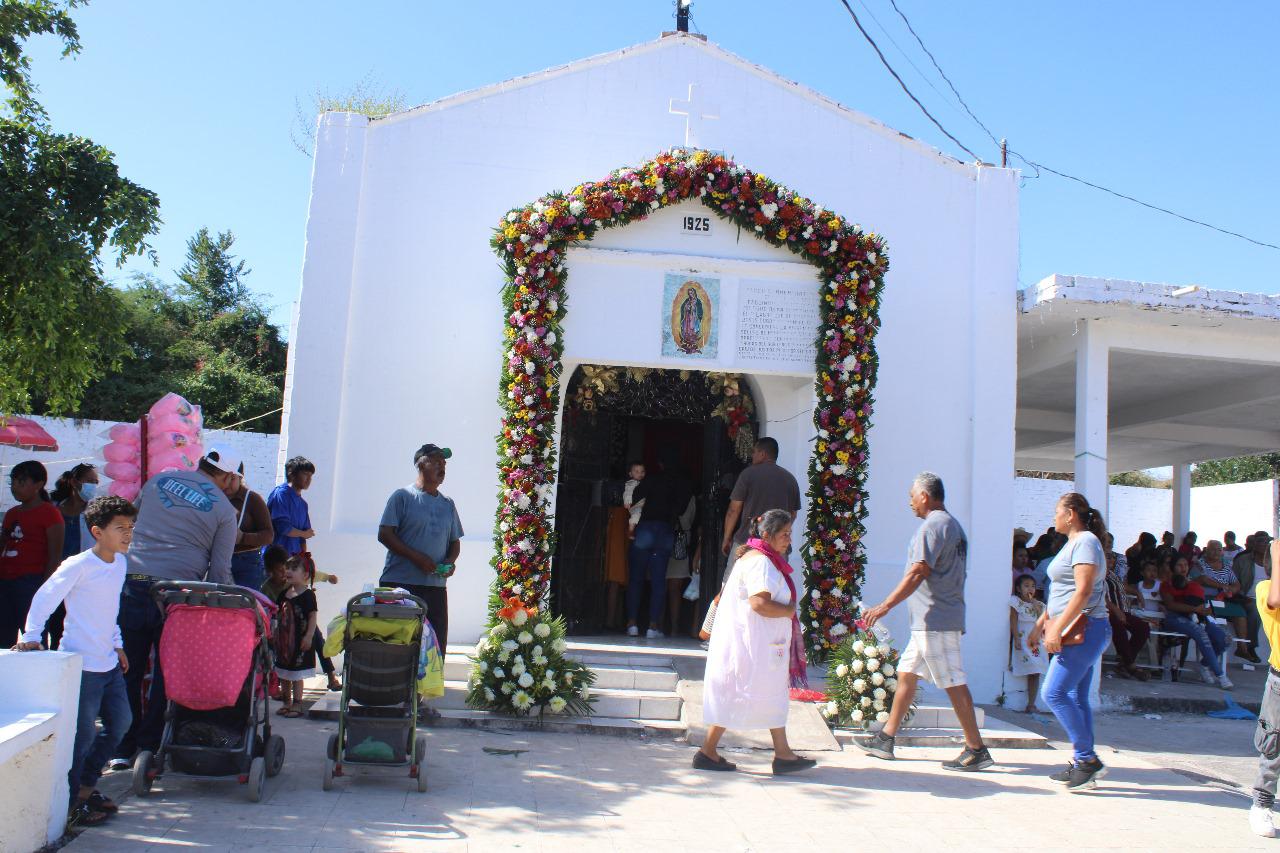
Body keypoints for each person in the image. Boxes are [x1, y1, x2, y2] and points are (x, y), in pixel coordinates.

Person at [110, 446, 240, 769]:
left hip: (134, 582)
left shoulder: (158, 482)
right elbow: (220, 572)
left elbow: (130, 525)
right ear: (226, 476)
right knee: (166, 674)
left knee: (129, 667)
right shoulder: (224, 511)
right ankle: (148, 746)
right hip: (179, 596)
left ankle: (121, 744)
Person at [856, 472, 993, 772]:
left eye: (911, 496)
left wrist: (884, 606)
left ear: (925, 496)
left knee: (954, 682)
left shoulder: (933, 526)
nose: (909, 503)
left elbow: (918, 572)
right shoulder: (953, 526)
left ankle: (976, 748)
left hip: (936, 619)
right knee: (907, 673)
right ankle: (886, 738)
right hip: (933, 618)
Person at [14, 495, 136, 827]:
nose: (128, 534)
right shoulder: (78, 565)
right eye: (120, 528)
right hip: (81, 667)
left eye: (131, 527)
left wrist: (118, 644)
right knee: (81, 740)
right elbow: (46, 597)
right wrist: (31, 637)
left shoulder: (121, 564)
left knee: (121, 725)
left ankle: (85, 789)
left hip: (109, 664)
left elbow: (109, 612)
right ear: (97, 532)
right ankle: (69, 805)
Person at [695, 509, 815, 775]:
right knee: (746, 694)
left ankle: (779, 753)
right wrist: (789, 611)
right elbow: (759, 603)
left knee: (763, 696)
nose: (788, 540)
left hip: (756, 644)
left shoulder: (755, 558)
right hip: (754, 646)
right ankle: (709, 751)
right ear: (768, 535)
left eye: (789, 534)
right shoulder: (760, 561)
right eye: (784, 534)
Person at [1027, 492, 1112, 792]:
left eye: (1057, 511)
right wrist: (1040, 625)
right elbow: (1061, 592)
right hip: (1073, 628)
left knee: (1054, 694)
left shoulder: (1086, 542)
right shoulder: (1073, 544)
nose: (1054, 517)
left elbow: (1084, 591)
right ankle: (1082, 762)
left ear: (1071, 514)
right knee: (1075, 697)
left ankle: (1087, 759)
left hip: (1085, 629)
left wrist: (1056, 630)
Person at [378, 443, 463, 685]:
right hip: (400, 585)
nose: (441, 466)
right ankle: (391, 694)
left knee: (433, 646)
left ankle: (421, 700)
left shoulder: (448, 504)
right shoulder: (402, 497)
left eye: (444, 463)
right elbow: (385, 534)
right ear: (420, 463)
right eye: (436, 461)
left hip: (435, 586)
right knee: (397, 643)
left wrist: (449, 562)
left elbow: (454, 542)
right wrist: (417, 558)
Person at [626, 449, 692, 639]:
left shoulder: (651, 479)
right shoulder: (682, 483)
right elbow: (681, 509)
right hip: (665, 531)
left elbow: (635, 498)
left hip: (645, 529)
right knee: (658, 580)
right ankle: (653, 626)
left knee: (636, 578)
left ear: (661, 464)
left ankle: (632, 623)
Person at [1, 460, 64, 646]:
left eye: (21, 482)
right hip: (5, 582)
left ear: (38, 484)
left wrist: (44, 590)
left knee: (33, 638)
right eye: (12, 482)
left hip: (31, 583)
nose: (14, 487)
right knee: (3, 640)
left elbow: (54, 557)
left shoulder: (50, 513)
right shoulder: (12, 513)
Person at [719, 437, 801, 572]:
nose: (752, 455)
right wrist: (779, 531)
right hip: (777, 546)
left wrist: (727, 538)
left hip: (747, 543)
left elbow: (734, 510)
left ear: (762, 454)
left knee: (732, 588)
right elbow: (793, 514)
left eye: (754, 452)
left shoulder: (748, 474)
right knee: (773, 589)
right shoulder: (790, 479)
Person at [1247, 534, 1280, 838]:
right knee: (1273, 749)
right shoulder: (1265, 588)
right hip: (1279, 681)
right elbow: (1276, 600)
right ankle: (1261, 805)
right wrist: (1277, 548)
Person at [46, 464, 99, 649]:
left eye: (96, 482)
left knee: (74, 631)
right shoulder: (53, 509)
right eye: (89, 481)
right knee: (53, 626)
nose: (93, 485)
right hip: (55, 578)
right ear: (75, 482)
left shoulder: (96, 511)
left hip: (82, 582)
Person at [1160, 554, 1232, 689]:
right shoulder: (1166, 585)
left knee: (1225, 639)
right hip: (1175, 618)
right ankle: (1221, 676)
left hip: (1198, 618)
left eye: (1186, 565)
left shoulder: (1193, 584)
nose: (1183, 568)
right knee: (1200, 632)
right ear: (1172, 568)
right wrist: (1194, 609)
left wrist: (1205, 610)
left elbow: (1201, 605)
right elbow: (1171, 605)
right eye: (1179, 565)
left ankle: (1204, 665)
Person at [272, 556, 318, 717]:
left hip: (300, 641)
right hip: (285, 642)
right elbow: (277, 614)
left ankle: (297, 704)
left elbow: (312, 617)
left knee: (297, 674)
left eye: (294, 569)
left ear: (306, 575)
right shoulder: (284, 593)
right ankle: (286, 702)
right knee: (284, 673)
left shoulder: (308, 595)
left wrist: (309, 636)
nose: (288, 571)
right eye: (288, 568)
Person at [1199, 539, 1254, 660]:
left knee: (1240, 612)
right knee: (1211, 618)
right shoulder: (1200, 563)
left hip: (1224, 600)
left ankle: (1242, 648)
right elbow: (1203, 580)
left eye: (1219, 549)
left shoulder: (1226, 566)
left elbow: (1236, 584)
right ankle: (1211, 653)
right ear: (1207, 550)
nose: (1216, 552)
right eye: (1213, 549)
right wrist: (1223, 586)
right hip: (1206, 600)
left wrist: (1232, 589)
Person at [223, 465, 273, 590]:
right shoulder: (215, 497)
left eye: (232, 478)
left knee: (243, 605)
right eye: (224, 477)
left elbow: (268, 535)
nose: (227, 482)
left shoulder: (253, 499)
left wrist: (243, 538)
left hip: (247, 563)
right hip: (220, 560)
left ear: (240, 477)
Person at [1104, 551, 1151, 681]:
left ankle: (1124, 662)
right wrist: (1116, 610)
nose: (1111, 560)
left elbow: (1122, 586)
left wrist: (1137, 592)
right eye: (1108, 558)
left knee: (1143, 628)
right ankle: (1130, 665)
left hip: (1123, 611)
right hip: (1108, 612)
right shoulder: (1097, 575)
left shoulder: (1112, 574)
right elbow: (1100, 596)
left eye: (1113, 558)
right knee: (1118, 626)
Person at [1009, 574, 1047, 711]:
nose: (1030, 589)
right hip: (1023, 641)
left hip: (1036, 643)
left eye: (1032, 586)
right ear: (1018, 589)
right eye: (1026, 586)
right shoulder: (1016, 602)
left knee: (1036, 671)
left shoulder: (1041, 605)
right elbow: (1013, 620)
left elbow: (1043, 624)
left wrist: (1037, 609)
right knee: (1028, 667)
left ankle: (1031, 704)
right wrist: (1016, 638)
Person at [1234, 532, 1274, 662]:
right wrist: (1240, 595)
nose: (1264, 545)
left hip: (1270, 599)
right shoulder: (1242, 560)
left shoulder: (1275, 562)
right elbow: (1232, 581)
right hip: (1247, 598)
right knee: (1255, 610)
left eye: (1267, 542)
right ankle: (1249, 646)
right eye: (1261, 542)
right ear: (1254, 544)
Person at [663, 495, 698, 637]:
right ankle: (674, 628)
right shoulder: (690, 498)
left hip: (661, 538)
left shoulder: (663, 493)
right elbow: (692, 520)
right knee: (674, 589)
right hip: (681, 543)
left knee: (660, 586)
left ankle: (655, 625)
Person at [267, 456, 316, 555]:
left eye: (311, 475)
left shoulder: (303, 504)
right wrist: (304, 534)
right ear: (292, 474)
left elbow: (303, 538)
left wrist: (303, 558)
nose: (309, 479)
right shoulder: (281, 494)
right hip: (275, 560)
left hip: (293, 563)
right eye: (305, 474)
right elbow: (283, 528)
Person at [622, 461, 646, 537]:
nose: (640, 473)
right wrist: (627, 502)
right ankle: (630, 530)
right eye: (637, 471)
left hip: (643, 505)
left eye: (642, 471)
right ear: (630, 474)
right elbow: (628, 492)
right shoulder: (631, 482)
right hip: (635, 505)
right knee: (637, 513)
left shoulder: (644, 483)